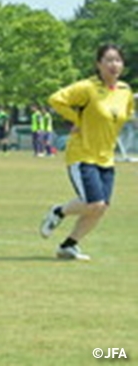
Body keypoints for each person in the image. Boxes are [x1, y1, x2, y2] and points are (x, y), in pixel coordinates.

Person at [39, 44, 134, 261]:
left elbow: (125, 115)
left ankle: (69, 245)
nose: (114, 64)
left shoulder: (125, 91)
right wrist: (77, 119)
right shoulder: (87, 88)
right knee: (94, 203)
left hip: (106, 158)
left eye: (118, 60)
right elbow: (56, 99)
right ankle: (58, 211)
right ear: (98, 64)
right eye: (108, 60)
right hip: (82, 155)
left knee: (101, 208)